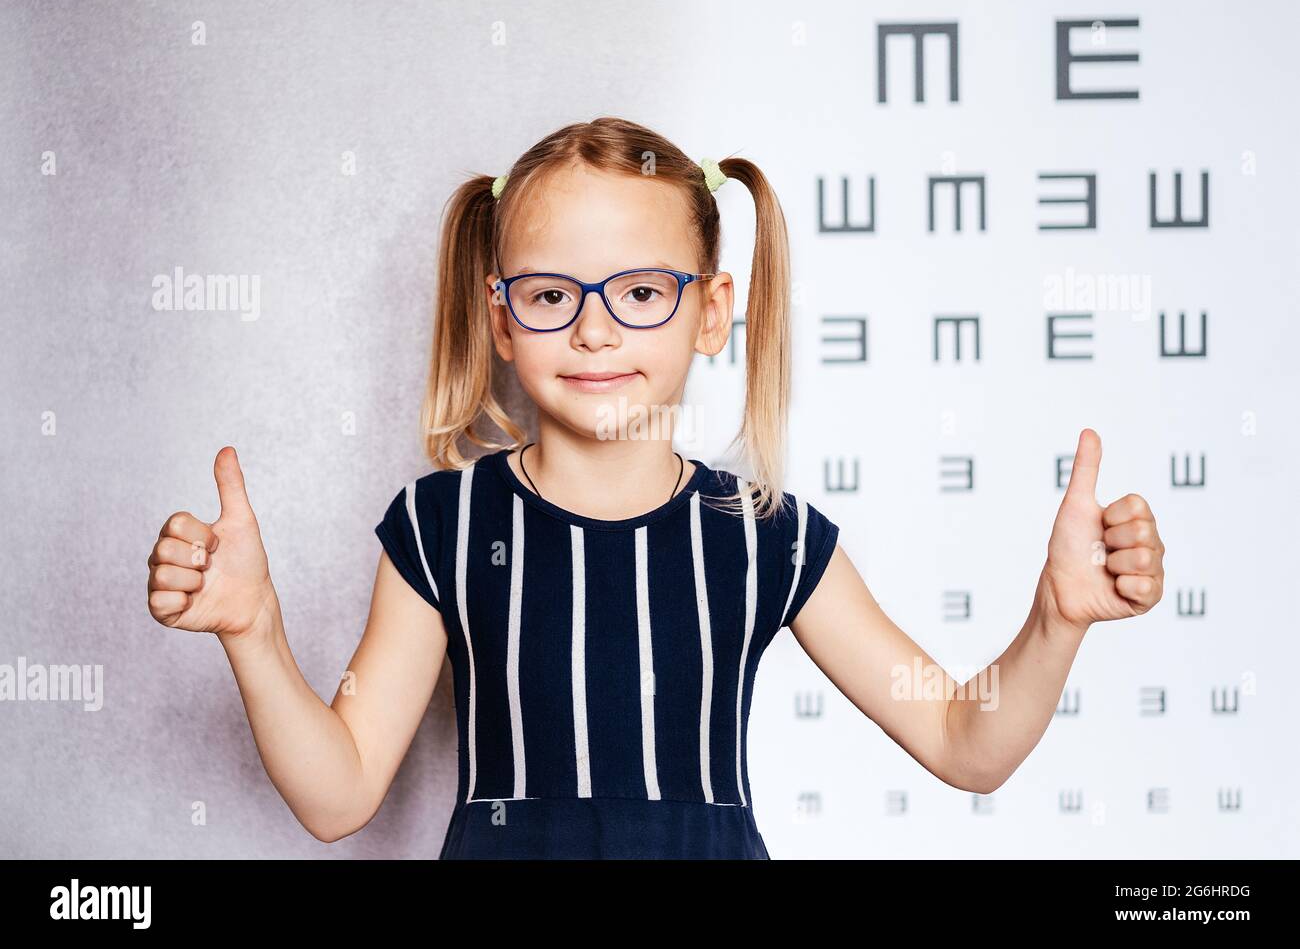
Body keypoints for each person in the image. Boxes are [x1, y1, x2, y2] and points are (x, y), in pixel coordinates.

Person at [146, 116, 1166, 859]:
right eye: (551, 294)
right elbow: (338, 798)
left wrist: (1056, 619)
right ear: (500, 318)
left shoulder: (765, 537)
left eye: (640, 292)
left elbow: (962, 742)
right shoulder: (442, 526)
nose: (595, 330)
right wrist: (256, 633)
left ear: (711, 310)